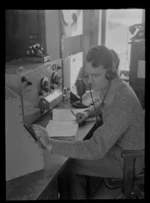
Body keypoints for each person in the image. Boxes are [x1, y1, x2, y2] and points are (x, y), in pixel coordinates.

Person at [32, 45, 145, 199]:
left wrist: (52, 144)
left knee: (67, 164)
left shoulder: (123, 100)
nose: (90, 81)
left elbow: (95, 148)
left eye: (95, 75)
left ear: (111, 72)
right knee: (71, 158)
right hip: (117, 148)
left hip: (127, 160)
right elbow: (104, 103)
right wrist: (87, 112)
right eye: (88, 75)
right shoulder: (116, 86)